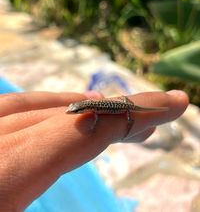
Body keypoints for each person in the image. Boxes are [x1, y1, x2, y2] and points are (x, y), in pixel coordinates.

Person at [0, 90, 188, 211]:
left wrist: (93, 130)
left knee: (129, 118)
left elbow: (98, 120)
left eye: (76, 111)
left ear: (85, 109)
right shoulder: (92, 108)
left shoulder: (95, 111)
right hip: (123, 103)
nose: (73, 113)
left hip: (125, 108)